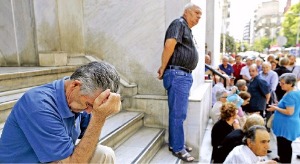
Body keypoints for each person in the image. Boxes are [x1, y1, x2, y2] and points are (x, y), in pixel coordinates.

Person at [0, 61, 121, 163]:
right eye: (89, 105)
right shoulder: (39, 105)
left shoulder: (76, 98)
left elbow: (89, 137)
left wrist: (102, 109)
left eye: (93, 107)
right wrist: (99, 117)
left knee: (105, 154)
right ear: (75, 85)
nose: (89, 112)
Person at [157, 2, 202, 162]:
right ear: (187, 12)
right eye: (196, 13)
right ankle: (178, 148)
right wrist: (163, 67)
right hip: (178, 75)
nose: (199, 17)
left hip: (181, 75)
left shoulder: (186, 28)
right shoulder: (179, 23)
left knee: (176, 113)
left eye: (200, 15)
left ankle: (175, 143)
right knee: (179, 114)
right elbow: (169, 44)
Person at [267, 73, 300, 163]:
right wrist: (278, 105)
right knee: (282, 144)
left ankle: (285, 161)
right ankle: (281, 158)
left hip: (287, 125)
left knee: (285, 145)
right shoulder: (293, 91)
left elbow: (289, 112)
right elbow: (287, 106)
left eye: (282, 83)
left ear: (290, 84)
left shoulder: (291, 95)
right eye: (280, 82)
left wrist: (275, 108)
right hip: (287, 123)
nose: (280, 85)